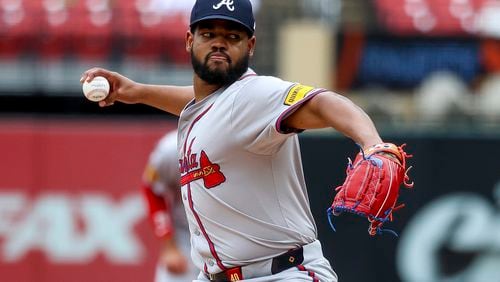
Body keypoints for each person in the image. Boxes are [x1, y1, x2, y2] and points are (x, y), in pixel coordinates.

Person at [80, 0, 389, 280]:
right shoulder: (210, 104)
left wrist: (372, 142)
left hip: (282, 274)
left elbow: (323, 102)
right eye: (209, 33)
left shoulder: (258, 94)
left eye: (232, 37)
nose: (219, 43)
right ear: (190, 40)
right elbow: (203, 105)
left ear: (251, 45)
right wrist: (135, 92)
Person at [141, 130, 199, 282]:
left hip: (234, 240)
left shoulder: (242, 141)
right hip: (187, 239)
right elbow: (152, 189)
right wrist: (169, 246)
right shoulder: (172, 148)